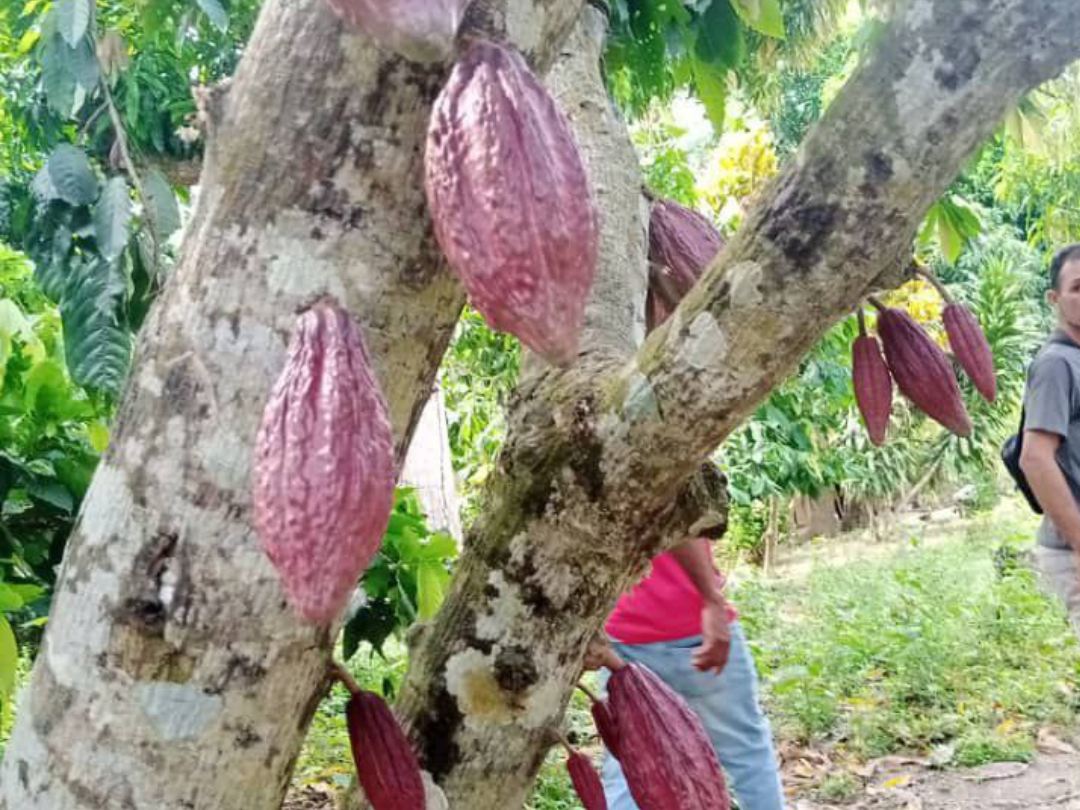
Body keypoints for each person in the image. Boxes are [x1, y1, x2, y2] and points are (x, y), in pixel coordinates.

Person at [588, 535, 786, 810]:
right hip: (692, 625)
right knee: (745, 751)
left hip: (624, 636)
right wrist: (712, 599)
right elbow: (679, 523)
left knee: (630, 765)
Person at [1019, 243, 1080, 639]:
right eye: (1078, 287)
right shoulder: (1056, 364)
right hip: (1070, 552)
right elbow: (1035, 459)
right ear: (1054, 299)